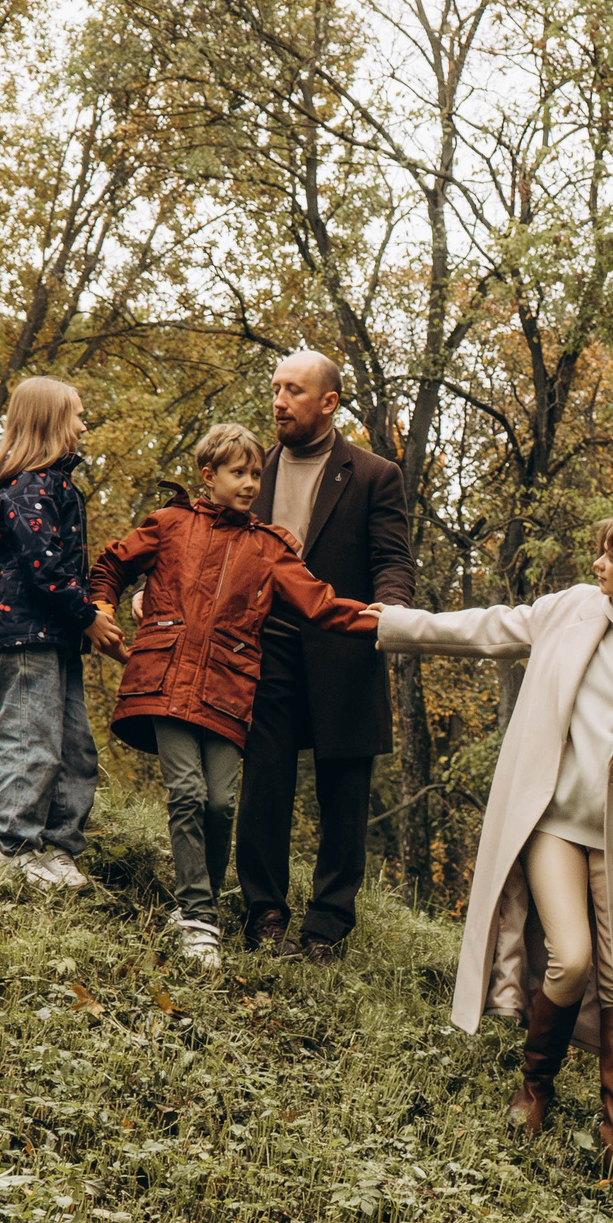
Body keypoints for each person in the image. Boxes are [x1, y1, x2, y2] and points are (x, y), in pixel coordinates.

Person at [374, 509, 613, 1176]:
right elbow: (483, 628)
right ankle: (534, 1087)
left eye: (609, 555)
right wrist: (383, 624)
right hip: (555, 826)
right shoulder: (573, 611)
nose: (596, 564)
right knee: (571, 959)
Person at [91, 424, 379, 966]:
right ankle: (199, 916)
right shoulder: (169, 524)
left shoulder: (268, 548)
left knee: (222, 802)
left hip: (227, 689)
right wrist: (101, 611)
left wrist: (380, 623)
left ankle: (201, 906)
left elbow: (319, 604)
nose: (250, 483)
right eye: (238, 473)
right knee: (187, 793)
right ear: (209, 476)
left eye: (255, 474)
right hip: (166, 681)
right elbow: (111, 563)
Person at [235, 350, 416, 960]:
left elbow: (392, 561)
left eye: (293, 391)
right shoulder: (251, 470)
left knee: (344, 795)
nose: (279, 401)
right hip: (266, 652)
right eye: (276, 388)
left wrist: (386, 616)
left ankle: (327, 927)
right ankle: (264, 914)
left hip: (345, 648)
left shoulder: (373, 475)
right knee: (264, 788)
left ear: (329, 403)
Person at [0, 377, 125, 890]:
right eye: (77, 415)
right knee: (30, 739)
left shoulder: (53, 485)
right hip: (26, 635)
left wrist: (81, 620)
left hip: (56, 636)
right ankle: (11, 846)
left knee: (76, 748)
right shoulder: (28, 487)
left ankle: (57, 849)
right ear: (50, 421)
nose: (84, 425)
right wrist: (89, 615)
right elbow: (46, 568)